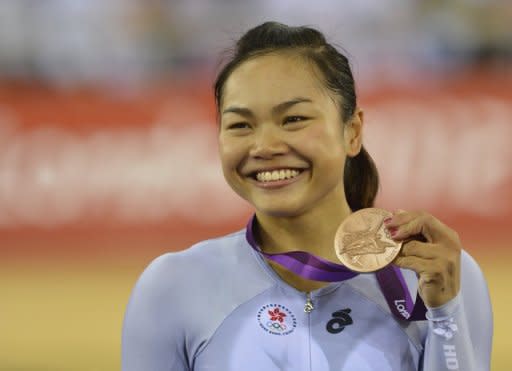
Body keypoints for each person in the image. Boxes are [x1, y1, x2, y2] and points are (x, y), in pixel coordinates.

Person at [122, 21, 492, 370]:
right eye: (240, 125)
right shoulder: (173, 286)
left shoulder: (435, 273)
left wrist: (445, 311)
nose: (264, 146)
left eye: (294, 119)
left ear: (352, 132)